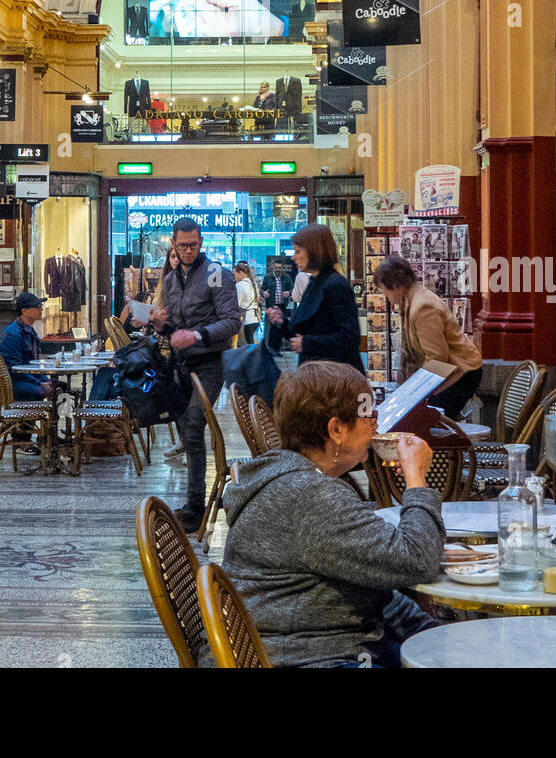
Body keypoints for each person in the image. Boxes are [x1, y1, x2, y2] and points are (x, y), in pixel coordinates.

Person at [220, 360, 445, 668]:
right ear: (336, 429)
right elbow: (418, 561)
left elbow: (373, 585)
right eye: (369, 415)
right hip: (304, 656)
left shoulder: (301, 479)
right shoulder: (311, 495)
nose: (376, 425)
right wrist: (416, 479)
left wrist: (434, 635)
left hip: (319, 642)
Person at [147, 218, 240, 533]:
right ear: (172, 244)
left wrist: (197, 335)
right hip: (182, 365)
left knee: (193, 425)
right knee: (187, 431)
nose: (187, 250)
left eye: (193, 245)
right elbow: (175, 331)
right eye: (182, 245)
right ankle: (194, 504)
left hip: (211, 363)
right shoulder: (172, 280)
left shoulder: (217, 275)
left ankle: (195, 506)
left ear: (202, 243)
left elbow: (231, 323)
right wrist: (161, 326)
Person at [373, 256, 482, 419]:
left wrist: (416, 393)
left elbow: (438, 358)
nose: (385, 296)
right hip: (451, 371)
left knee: (427, 419)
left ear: (396, 286)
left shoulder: (423, 306)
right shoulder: (410, 301)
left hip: (462, 372)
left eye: (384, 290)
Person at [265, 224, 363, 373]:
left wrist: (307, 343)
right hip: (317, 374)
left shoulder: (335, 285)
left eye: (298, 251)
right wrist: (282, 322)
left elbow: (349, 337)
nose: (293, 257)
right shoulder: (316, 283)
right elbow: (304, 331)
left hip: (334, 377)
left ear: (314, 251)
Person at [0, 293, 53, 403]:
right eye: (37, 307)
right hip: (13, 383)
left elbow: (33, 363)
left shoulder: (29, 331)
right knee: (46, 390)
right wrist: (39, 383)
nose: (40, 310)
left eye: (40, 306)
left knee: (60, 388)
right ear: (24, 311)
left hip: (27, 378)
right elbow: (14, 369)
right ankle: (35, 418)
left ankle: (52, 419)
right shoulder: (13, 334)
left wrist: (44, 379)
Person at [234, 261, 260, 345]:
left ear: (240, 273)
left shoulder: (240, 285)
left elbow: (236, 304)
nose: (235, 277)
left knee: (246, 346)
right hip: (255, 319)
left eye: (235, 275)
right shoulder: (253, 283)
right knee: (250, 344)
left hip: (246, 321)